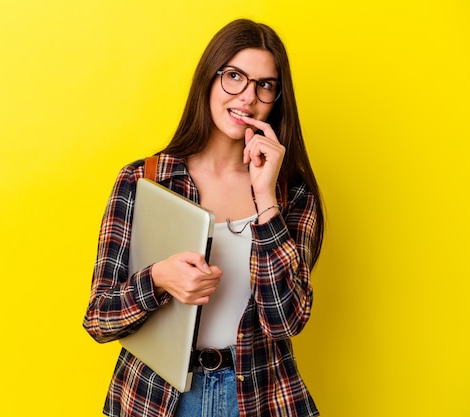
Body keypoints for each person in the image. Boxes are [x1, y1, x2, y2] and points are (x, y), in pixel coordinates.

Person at [83, 18, 325, 417]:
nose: (247, 97)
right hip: (157, 398)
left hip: (258, 397)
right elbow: (98, 318)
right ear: (208, 80)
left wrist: (265, 196)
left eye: (264, 84)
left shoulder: (291, 195)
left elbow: (286, 320)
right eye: (234, 76)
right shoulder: (145, 181)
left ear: (276, 99)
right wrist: (158, 279)